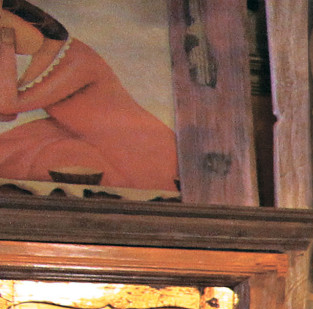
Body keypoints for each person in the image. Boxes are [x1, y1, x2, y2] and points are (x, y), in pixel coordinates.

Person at [0, 1, 180, 192]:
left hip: (136, 145)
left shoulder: (76, 60)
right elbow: (8, 113)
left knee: (48, 154)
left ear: (30, 23)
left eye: (4, 27)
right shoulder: (44, 57)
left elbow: (8, 105)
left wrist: (6, 46)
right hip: (96, 139)